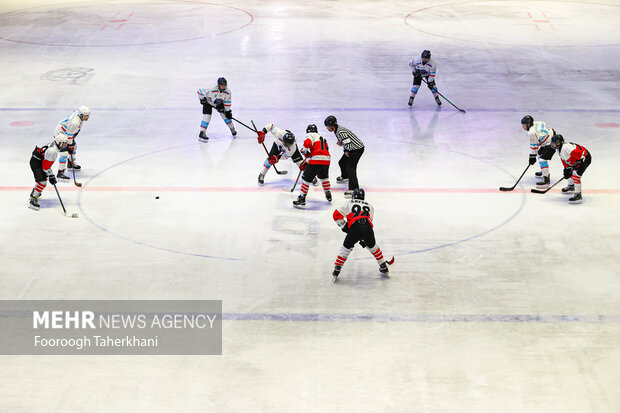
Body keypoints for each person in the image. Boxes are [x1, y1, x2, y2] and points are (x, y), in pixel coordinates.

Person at [331, 188, 391, 282]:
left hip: (355, 227)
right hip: (367, 228)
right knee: (374, 247)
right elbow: (366, 224)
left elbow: (336, 215)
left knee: (346, 248)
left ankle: (337, 269)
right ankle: (383, 266)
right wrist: (364, 240)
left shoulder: (348, 202)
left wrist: (344, 226)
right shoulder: (370, 207)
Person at [324, 115, 364, 198]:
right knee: (342, 162)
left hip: (356, 149)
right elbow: (345, 141)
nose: (327, 128)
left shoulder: (340, 132)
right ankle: (345, 176)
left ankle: (354, 189)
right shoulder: (337, 130)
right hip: (351, 149)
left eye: (327, 127)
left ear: (332, 126)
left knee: (350, 168)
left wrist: (345, 150)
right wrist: (344, 148)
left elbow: (348, 144)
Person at [292, 125, 332, 208]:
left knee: (306, 179)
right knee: (324, 178)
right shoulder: (323, 138)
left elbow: (307, 143)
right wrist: (308, 158)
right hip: (327, 160)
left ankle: (302, 198)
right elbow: (323, 150)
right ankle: (328, 193)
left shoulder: (310, 135)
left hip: (316, 159)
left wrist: (304, 151)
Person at [29, 134, 68, 210]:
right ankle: (33, 198)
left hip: (38, 160)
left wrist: (50, 175)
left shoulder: (55, 145)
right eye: (64, 143)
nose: (65, 145)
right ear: (60, 143)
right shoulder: (53, 151)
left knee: (42, 178)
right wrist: (51, 175)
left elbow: (45, 166)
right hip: (36, 162)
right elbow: (45, 167)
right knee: (42, 182)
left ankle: (34, 191)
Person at [550, 134, 591, 204]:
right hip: (577, 160)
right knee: (569, 172)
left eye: (555, 143)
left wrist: (578, 163)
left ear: (560, 143)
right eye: (553, 143)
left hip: (585, 158)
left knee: (575, 175)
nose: (553, 145)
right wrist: (567, 168)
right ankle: (571, 186)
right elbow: (564, 160)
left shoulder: (566, 148)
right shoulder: (558, 149)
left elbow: (580, 154)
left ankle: (578, 195)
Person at [55, 106, 90, 180]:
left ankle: (71, 163)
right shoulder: (75, 122)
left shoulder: (79, 116)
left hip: (66, 133)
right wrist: (70, 145)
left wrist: (71, 146)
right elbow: (69, 135)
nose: (88, 117)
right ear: (81, 115)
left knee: (74, 147)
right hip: (61, 134)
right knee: (64, 153)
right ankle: (60, 172)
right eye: (86, 115)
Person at [197, 77, 236, 141]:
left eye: (225, 85)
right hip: (208, 103)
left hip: (219, 105)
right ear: (218, 85)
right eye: (222, 85)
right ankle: (202, 132)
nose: (223, 87)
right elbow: (199, 91)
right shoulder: (212, 89)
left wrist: (228, 111)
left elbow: (227, 103)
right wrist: (202, 99)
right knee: (207, 115)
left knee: (226, 116)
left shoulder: (228, 92)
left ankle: (232, 128)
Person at [521, 115, 556, 187]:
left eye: (524, 125)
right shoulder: (536, 123)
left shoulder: (532, 133)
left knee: (542, 159)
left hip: (551, 143)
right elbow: (543, 123)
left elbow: (534, 145)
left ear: (528, 124)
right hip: (551, 136)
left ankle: (546, 178)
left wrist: (532, 156)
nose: (522, 126)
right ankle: (544, 171)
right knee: (540, 155)